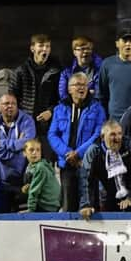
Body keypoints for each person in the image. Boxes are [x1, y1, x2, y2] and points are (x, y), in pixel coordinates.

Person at [48, 72, 106, 212]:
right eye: (77, 84)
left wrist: (79, 154)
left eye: (84, 84)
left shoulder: (97, 108)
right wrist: (68, 153)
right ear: (69, 89)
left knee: (91, 207)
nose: (81, 88)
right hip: (67, 164)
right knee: (69, 207)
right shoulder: (59, 109)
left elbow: (98, 135)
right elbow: (52, 134)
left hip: (88, 164)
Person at [8, 33, 61, 163]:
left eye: (48, 46)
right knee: (26, 165)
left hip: (48, 127)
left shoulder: (56, 72)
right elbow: (11, 101)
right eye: (41, 46)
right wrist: (17, 125)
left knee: (47, 164)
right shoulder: (20, 71)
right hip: (26, 127)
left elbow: (62, 99)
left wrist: (51, 111)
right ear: (32, 48)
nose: (45, 49)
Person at [79, 120, 131, 220]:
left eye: (119, 134)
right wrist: (86, 204)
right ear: (102, 137)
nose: (117, 138)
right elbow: (86, 179)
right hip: (106, 200)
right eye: (112, 135)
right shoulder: (93, 151)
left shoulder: (129, 146)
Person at [0, 94, 36, 212]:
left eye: (13, 104)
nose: (10, 106)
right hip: (2, 181)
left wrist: (2, 144)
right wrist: (17, 149)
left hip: (24, 179)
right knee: (3, 216)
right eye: (6, 104)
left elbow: (28, 143)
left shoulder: (27, 121)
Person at [98, 28, 131, 122]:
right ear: (117, 44)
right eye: (124, 40)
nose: (128, 44)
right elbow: (102, 94)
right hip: (115, 119)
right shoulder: (107, 64)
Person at [20, 139, 61, 212]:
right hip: (47, 204)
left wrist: (30, 209)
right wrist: (28, 189)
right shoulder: (30, 166)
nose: (35, 152)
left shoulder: (40, 167)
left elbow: (35, 190)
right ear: (24, 153)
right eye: (31, 150)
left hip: (48, 206)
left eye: (38, 150)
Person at [58, 35, 103, 100]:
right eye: (81, 49)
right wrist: (89, 92)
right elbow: (63, 96)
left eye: (88, 49)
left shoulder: (101, 69)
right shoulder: (66, 72)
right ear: (74, 52)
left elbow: (98, 95)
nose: (85, 52)